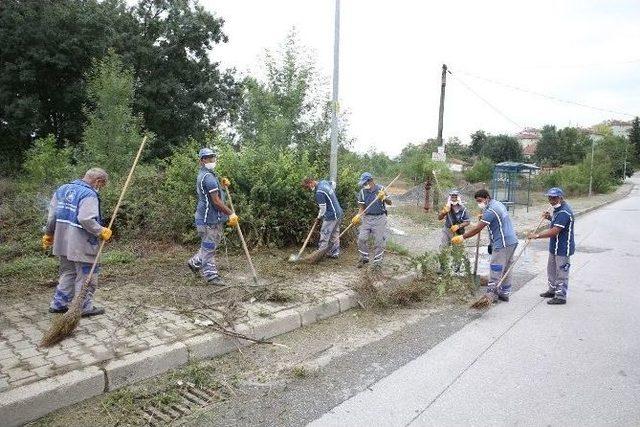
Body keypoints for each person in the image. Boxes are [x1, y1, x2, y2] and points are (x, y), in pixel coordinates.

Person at [42, 168, 112, 316]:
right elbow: (85, 218)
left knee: (68, 272)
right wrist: (100, 231)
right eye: (102, 185)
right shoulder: (89, 194)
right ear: (98, 181)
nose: (100, 188)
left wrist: (49, 233)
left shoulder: (62, 189)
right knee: (87, 275)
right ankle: (83, 308)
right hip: (81, 244)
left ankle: (59, 304)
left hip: (62, 242)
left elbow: (52, 216)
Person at [451, 189, 518, 302]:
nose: (479, 203)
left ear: (487, 198)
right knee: (506, 268)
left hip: (503, 242)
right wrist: (483, 215)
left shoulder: (491, 210)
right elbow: (497, 219)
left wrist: (462, 237)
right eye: (477, 201)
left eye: (480, 201)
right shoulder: (497, 204)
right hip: (512, 241)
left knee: (496, 267)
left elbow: (478, 228)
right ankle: (504, 293)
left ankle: (491, 295)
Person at [187, 148, 238, 285]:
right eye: (209, 158)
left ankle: (194, 262)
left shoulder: (207, 174)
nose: (212, 160)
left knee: (210, 243)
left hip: (207, 217)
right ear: (203, 160)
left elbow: (213, 193)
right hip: (207, 218)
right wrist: (230, 213)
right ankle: (211, 276)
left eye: (213, 157)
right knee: (209, 246)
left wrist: (221, 185)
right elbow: (215, 201)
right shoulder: (208, 177)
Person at [527, 187, 574, 305]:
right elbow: (556, 221)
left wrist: (536, 235)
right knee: (551, 270)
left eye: (554, 198)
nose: (551, 200)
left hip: (563, 248)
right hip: (555, 247)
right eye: (550, 198)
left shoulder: (564, 212)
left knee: (561, 272)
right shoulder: (558, 209)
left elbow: (554, 231)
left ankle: (561, 296)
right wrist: (549, 218)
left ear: (560, 198)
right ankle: (552, 291)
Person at [352, 172, 391, 270]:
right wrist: (358, 216)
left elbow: (390, 203)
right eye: (363, 184)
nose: (364, 185)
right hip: (367, 218)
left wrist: (384, 198)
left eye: (366, 183)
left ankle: (377, 262)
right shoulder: (362, 192)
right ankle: (364, 257)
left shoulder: (381, 189)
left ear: (371, 181)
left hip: (379, 218)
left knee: (379, 241)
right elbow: (362, 208)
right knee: (361, 238)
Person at [302, 178, 344, 259]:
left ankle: (320, 255)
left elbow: (323, 209)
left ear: (311, 183)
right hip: (339, 212)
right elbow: (334, 184)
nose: (309, 189)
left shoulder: (319, 192)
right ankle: (334, 253)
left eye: (308, 187)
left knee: (325, 233)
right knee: (334, 233)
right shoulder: (324, 182)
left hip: (331, 215)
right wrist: (331, 197)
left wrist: (318, 217)